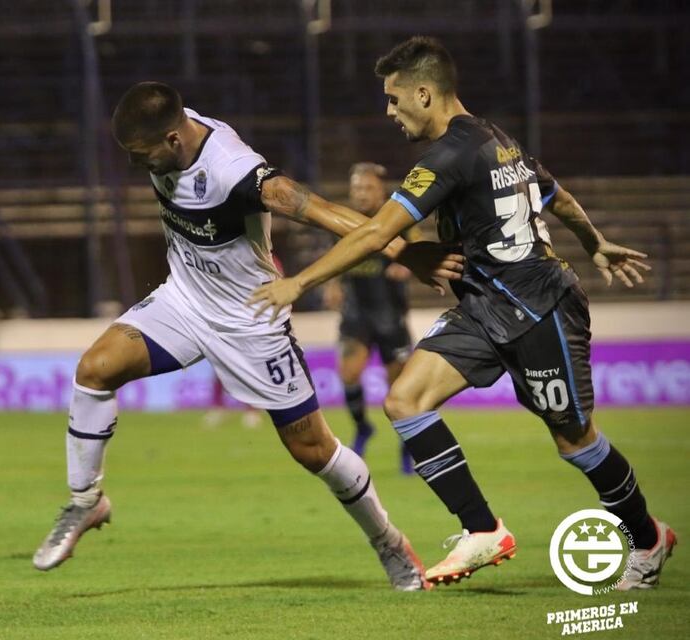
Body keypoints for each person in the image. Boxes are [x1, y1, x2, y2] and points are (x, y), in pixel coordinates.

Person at [249, 36, 674, 590]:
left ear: (424, 94)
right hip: (483, 306)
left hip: (540, 308)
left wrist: (299, 282)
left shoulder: (447, 156)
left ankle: (648, 537)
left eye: (394, 98)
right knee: (404, 400)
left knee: (575, 440)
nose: (389, 111)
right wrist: (594, 242)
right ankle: (483, 529)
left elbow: (377, 232)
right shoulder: (497, 140)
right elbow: (558, 195)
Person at [33, 81, 464, 591]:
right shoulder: (174, 127)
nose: (135, 164)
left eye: (141, 154)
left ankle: (389, 542)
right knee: (95, 369)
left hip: (250, 318)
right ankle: (86, 500)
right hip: (185, 301)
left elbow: (319, 209)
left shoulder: (232, 170)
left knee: (314, 451)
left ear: (173, 139)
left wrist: (403, 251)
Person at [322, 162, 417, 473]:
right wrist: (333, 285)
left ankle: (407, 444)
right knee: (348, 373)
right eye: (357, 188)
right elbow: (334, 259)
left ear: (381, 191)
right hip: (356, 313)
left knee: (399, 390)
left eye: (368, 188)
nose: (361, 194)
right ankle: (363, 427)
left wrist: (408, 264)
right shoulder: (343, 221)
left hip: (390, 315)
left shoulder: (398, 220)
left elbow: (420, 250)